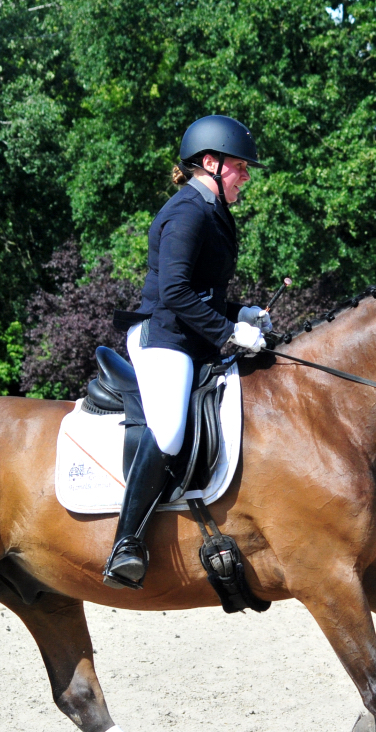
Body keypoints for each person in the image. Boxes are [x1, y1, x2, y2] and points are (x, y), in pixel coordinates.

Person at [102, 115, 271, 590]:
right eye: (240, 167)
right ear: (211, 163)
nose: (246, 176)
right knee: (171, 432)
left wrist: (245, 313)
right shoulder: (186, 212)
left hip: (192, 335)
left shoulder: (216, 213)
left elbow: (206, 293)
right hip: (165, 340)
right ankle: (126, 544)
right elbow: (174, 292)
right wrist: (229, 332)